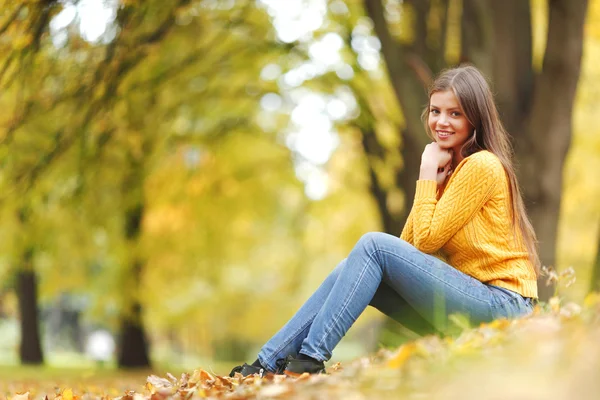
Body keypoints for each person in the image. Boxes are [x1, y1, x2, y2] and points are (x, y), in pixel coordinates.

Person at [229, 65, 539, 378]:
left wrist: (425, 175)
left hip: (504, 306)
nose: (441, 122)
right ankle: (267, 363)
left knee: (372, 245)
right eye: (435, 111)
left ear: (475, 117)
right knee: (353, 264)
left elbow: (424, 244)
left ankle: (309, 359)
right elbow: (410, 247)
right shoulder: (451, 172)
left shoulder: (481, 165)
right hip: (471, 303)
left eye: (455, 114)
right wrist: (433, 180)